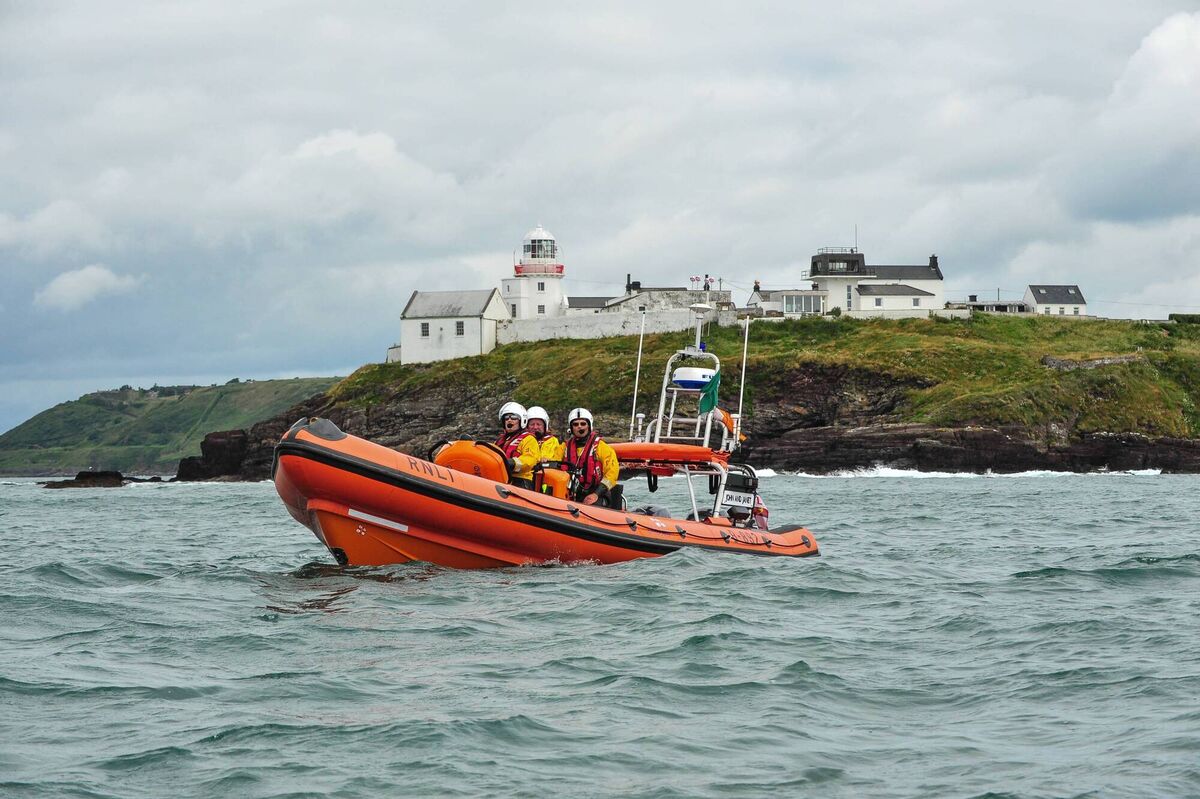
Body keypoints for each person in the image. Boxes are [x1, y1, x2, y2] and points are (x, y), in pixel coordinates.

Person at [552, 407, 619, 506]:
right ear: (571, 428)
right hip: (570, 493)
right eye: (575, 424)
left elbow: (612, 473)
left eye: (583, 424)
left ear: (589, 426)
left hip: (597, 493)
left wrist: (596, 494)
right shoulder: (564, 447)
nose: (579, 427)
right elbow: (553, 463)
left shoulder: (601, 447)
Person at [495, 401, 539, 489]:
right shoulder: (499, 441)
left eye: (514, 418)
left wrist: (512, 462)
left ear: (522, 420)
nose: (509, 420)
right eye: (506, 418)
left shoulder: (529, 439)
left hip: (521, 480)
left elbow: (530, 459)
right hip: (501, 478)